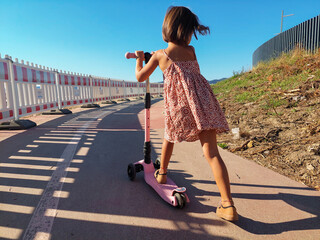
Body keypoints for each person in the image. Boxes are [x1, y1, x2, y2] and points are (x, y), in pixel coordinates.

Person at [134, 6, 238, 222]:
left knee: (169, 137)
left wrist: (139, 59)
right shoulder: (191, 51)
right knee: (212, 154)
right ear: (185, 31)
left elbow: (140, 77)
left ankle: (161, 173)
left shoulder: (160, 56)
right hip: (204, 105)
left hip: (180, 106)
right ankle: (228, 205)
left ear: (168, 27)